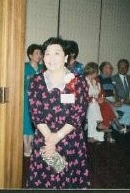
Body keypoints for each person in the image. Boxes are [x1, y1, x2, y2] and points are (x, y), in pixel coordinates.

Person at [26, 37, 90, 189]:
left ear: (66, 57)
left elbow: (78, 115)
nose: (51, 58)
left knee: (68, 181)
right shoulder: (36, 81)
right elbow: (35, 113)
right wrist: (50, 140)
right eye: (47, 53)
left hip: (70, 141)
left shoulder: (77, 81)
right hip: (45, 141)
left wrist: (57, 137)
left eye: (56, 53)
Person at [23, 44, 44, 157]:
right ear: (30, 55)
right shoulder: (24, 67)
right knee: (26, 122)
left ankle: (31, 144)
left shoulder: (42, 69)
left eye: (40, 53)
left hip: (38, 100)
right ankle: (26, 145)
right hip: (25, 98)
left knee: (34, 122)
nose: (39, 55)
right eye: (36, 53)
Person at [84, 62, 105, 143]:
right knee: (93, 106)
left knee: (93, 110)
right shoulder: (83, 81)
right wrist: (94, 100)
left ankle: (93, 136)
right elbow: (83, 96)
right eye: (96, 71)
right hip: (86, 104)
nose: (97, 73)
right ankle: (99, 122)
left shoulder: (96, 81)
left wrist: (100, 98)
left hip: (95, 105)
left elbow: (100, 93)